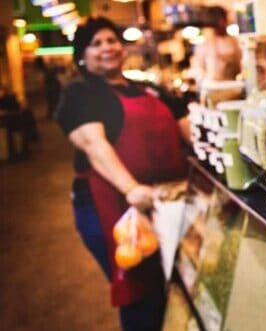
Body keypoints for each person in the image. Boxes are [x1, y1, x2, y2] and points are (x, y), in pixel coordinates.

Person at [55, 17, 190, 331]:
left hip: (164, 202)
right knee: (139, 291)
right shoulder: (80, 93)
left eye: (111, 40)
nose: (107, 48)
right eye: (96, 43)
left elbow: (186, 124)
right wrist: (131, 188)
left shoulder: (148, 89)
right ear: (82, 55)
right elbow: (93, 144)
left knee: (170, 283)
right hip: (113, 206)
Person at [190, 6, 242, 83]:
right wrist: (205, 80)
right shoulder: (205, 44)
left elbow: (241, 63)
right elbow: (197, 69)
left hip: (233, 87)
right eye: (220, 22)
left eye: (224, 21)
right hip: (213, 89)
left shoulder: (234, 41)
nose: (224, 24)